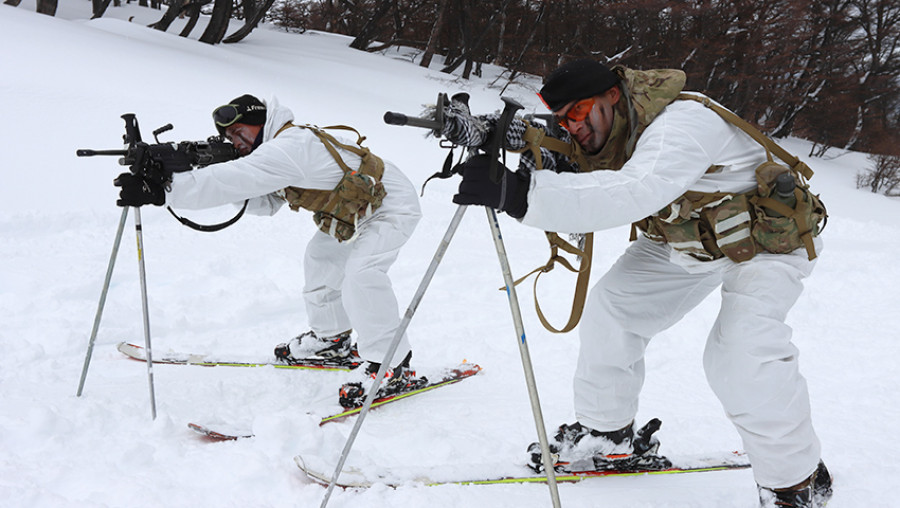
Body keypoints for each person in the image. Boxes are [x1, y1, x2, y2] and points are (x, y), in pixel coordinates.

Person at [448, 60, 831, 508]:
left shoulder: (685, 123)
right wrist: (503, 134)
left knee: (740, 353)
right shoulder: (613, 127)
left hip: (766, 242)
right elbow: (567, 155)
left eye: (578, 112)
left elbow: (638, 188)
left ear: (613, 94)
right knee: (613, 310)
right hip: (688, 239)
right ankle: (607, 434)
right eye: (562, 118)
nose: (572, 128)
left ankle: (796, 482)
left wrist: (517, 195)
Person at [113, 94, 424, 406]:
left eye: (239, 132)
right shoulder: (277, 148)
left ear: (261, 123)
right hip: (353, 212)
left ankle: (391, 367)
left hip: (390, 207)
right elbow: (267, 202)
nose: (235, 142)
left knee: (361, 274)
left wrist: (166, 191)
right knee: (321, 260)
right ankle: (332, 341)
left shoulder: (290, 147)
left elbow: (232, 180)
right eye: (229, 137)